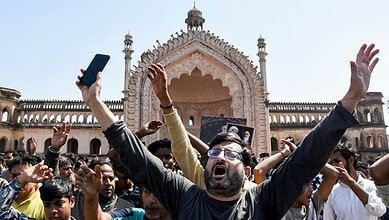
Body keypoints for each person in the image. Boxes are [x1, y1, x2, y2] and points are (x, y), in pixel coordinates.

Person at [76, 43, 380, 219]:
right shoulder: (184, 195)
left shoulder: (262, 201)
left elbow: (309, 157)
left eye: (228, 153)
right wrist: (95, 102)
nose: (218, 156)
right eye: (214, 152)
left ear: (246, 168)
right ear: (207, 163)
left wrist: (350, 101)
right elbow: (136, 156)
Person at [324, 146, 386, 219]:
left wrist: (351, 183)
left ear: (351, 160)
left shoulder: (371, 186)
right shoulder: (332, 192)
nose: (334, 166)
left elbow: (380, 211)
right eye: (332, 163)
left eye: (337, 161)